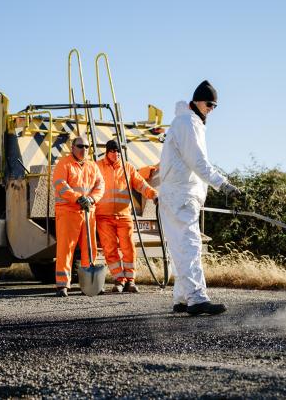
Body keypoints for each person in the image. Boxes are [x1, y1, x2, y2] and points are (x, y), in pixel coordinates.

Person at [158, 80, 241, 316]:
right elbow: (198, 161)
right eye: (209, 104)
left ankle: (182, 299)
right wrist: (223, 184)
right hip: (181, 195)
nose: (211, 109)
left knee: (180, 249)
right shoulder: (188, 122)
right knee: (190, 247)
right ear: (196, 102)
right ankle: (197, 299)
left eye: (215, 106)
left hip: (177, 195)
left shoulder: (186, 121)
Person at [96, 139, 158, 293]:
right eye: (112, 151)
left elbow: (141, 185)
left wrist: (154, 194)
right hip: (103, 216)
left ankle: (130, 280)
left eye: (118, 151)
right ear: (107, 152)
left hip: (124, 216)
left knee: (128, 248)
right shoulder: (97, 167)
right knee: (110, 249)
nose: (115, 154)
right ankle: (119, 280)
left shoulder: (127, 168)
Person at [52, 136, 105, 297]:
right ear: (72, 147)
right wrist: (77, 197)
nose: (84, 149)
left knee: (90, 249)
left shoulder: (92, 166)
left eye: (87, 147)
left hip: (88, 212)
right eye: (80, 146)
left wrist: (91, 199)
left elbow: (100, 185)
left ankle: (89, 286)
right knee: (66, 248)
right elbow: (60, 184)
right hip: (68, 212)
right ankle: (63, 285)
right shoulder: (64, 163)